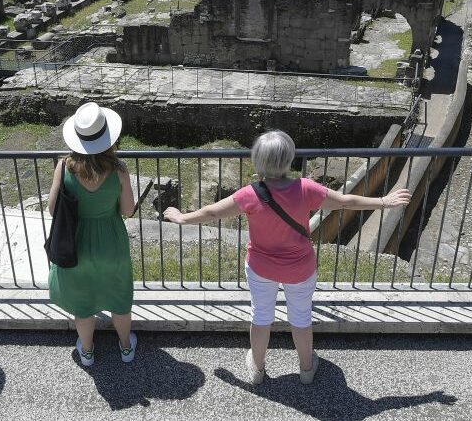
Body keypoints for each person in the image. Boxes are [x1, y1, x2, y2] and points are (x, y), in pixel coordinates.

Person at [164, 130, 410, 385]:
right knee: (301, 318)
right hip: (300, 268)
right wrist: (383, 201)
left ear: (257, 160)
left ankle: (257, 370)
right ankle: (306, 369)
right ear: (289, 158)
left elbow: (213, 212)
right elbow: (345, 202)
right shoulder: (305, 189)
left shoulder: (249, 194)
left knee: (260, 317)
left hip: (261, 267)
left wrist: (183, 217)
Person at [48, 102, 136, 366]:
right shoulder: (119, 170)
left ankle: (87, 351)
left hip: (76, 243)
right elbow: (128, 210)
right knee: (119, 298)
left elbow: (53, 209)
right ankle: (125, 347)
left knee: (83, 302)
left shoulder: (64, 167)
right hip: (111, 241)